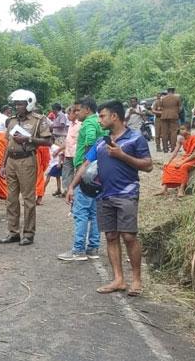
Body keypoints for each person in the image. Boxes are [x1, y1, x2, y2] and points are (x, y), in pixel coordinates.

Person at [68, 100, 153, 295]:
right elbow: (85, 165)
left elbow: (148, 166)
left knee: (129, 236)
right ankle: (118, 280)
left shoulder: (135, 139)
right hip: (104, 195)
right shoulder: (101, 142)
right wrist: (72, 186)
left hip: (127, 193)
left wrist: (122, 155)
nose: (99, 120)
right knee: (111, 236)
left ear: (114, 116)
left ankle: (136, 280)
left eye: (102, 116)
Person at [0, 90, 52, 245]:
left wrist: (28, 139)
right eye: (16, 104)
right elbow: (8, 144)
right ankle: (13, 232)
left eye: (21, 104)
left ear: (29, 104)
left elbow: (48, 141)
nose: (17, 107)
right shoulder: (11, 121)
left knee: (28, 198)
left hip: (27, 160)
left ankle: (28, 234)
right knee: (11, 198)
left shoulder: (39, 120)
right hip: (11, 161)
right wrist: (3, 164)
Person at [58, 97, 106, 261]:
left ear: (87, 110)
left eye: (78, 110)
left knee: (81, 212)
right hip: (98, 172)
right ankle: (93, 247)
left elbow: (91, 141)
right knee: (93, 212)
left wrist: (87, 164)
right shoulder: (100, 122)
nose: (76, 113)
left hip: (87, 172)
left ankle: (78, 249)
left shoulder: (89, 123)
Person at [157, 121, 195, 198]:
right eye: (180, 129)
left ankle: (181, 189)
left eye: (183, 129)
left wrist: (182, 163)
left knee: (183, 167)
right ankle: (164, 189)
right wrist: (168, 161)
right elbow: (175, 152)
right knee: (169, 166)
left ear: (188, 130)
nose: (180, 131)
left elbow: (194, 155)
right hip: (187, 157)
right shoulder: (180, 139)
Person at [61, 105, 81, 193]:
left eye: (69, 114)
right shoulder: (71, 125)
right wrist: (60, 150)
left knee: (77, 172)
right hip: (68, 152)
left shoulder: (80, 124)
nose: (68, 116)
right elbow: (68, 139)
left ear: (75, 113)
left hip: (76, 153)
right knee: (67, 172)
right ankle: (67, 190)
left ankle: (75, 190)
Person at [156, 87, 182, 153]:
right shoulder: (177, 98)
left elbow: (160, 108)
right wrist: (176, 112)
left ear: (167, 91)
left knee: (164, 133)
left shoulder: (162, 99)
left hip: (164, 116)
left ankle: (165, 149)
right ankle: (173, 148)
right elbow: (180, 108)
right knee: (173, 132)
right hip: (174, 116)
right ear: (174, 91)